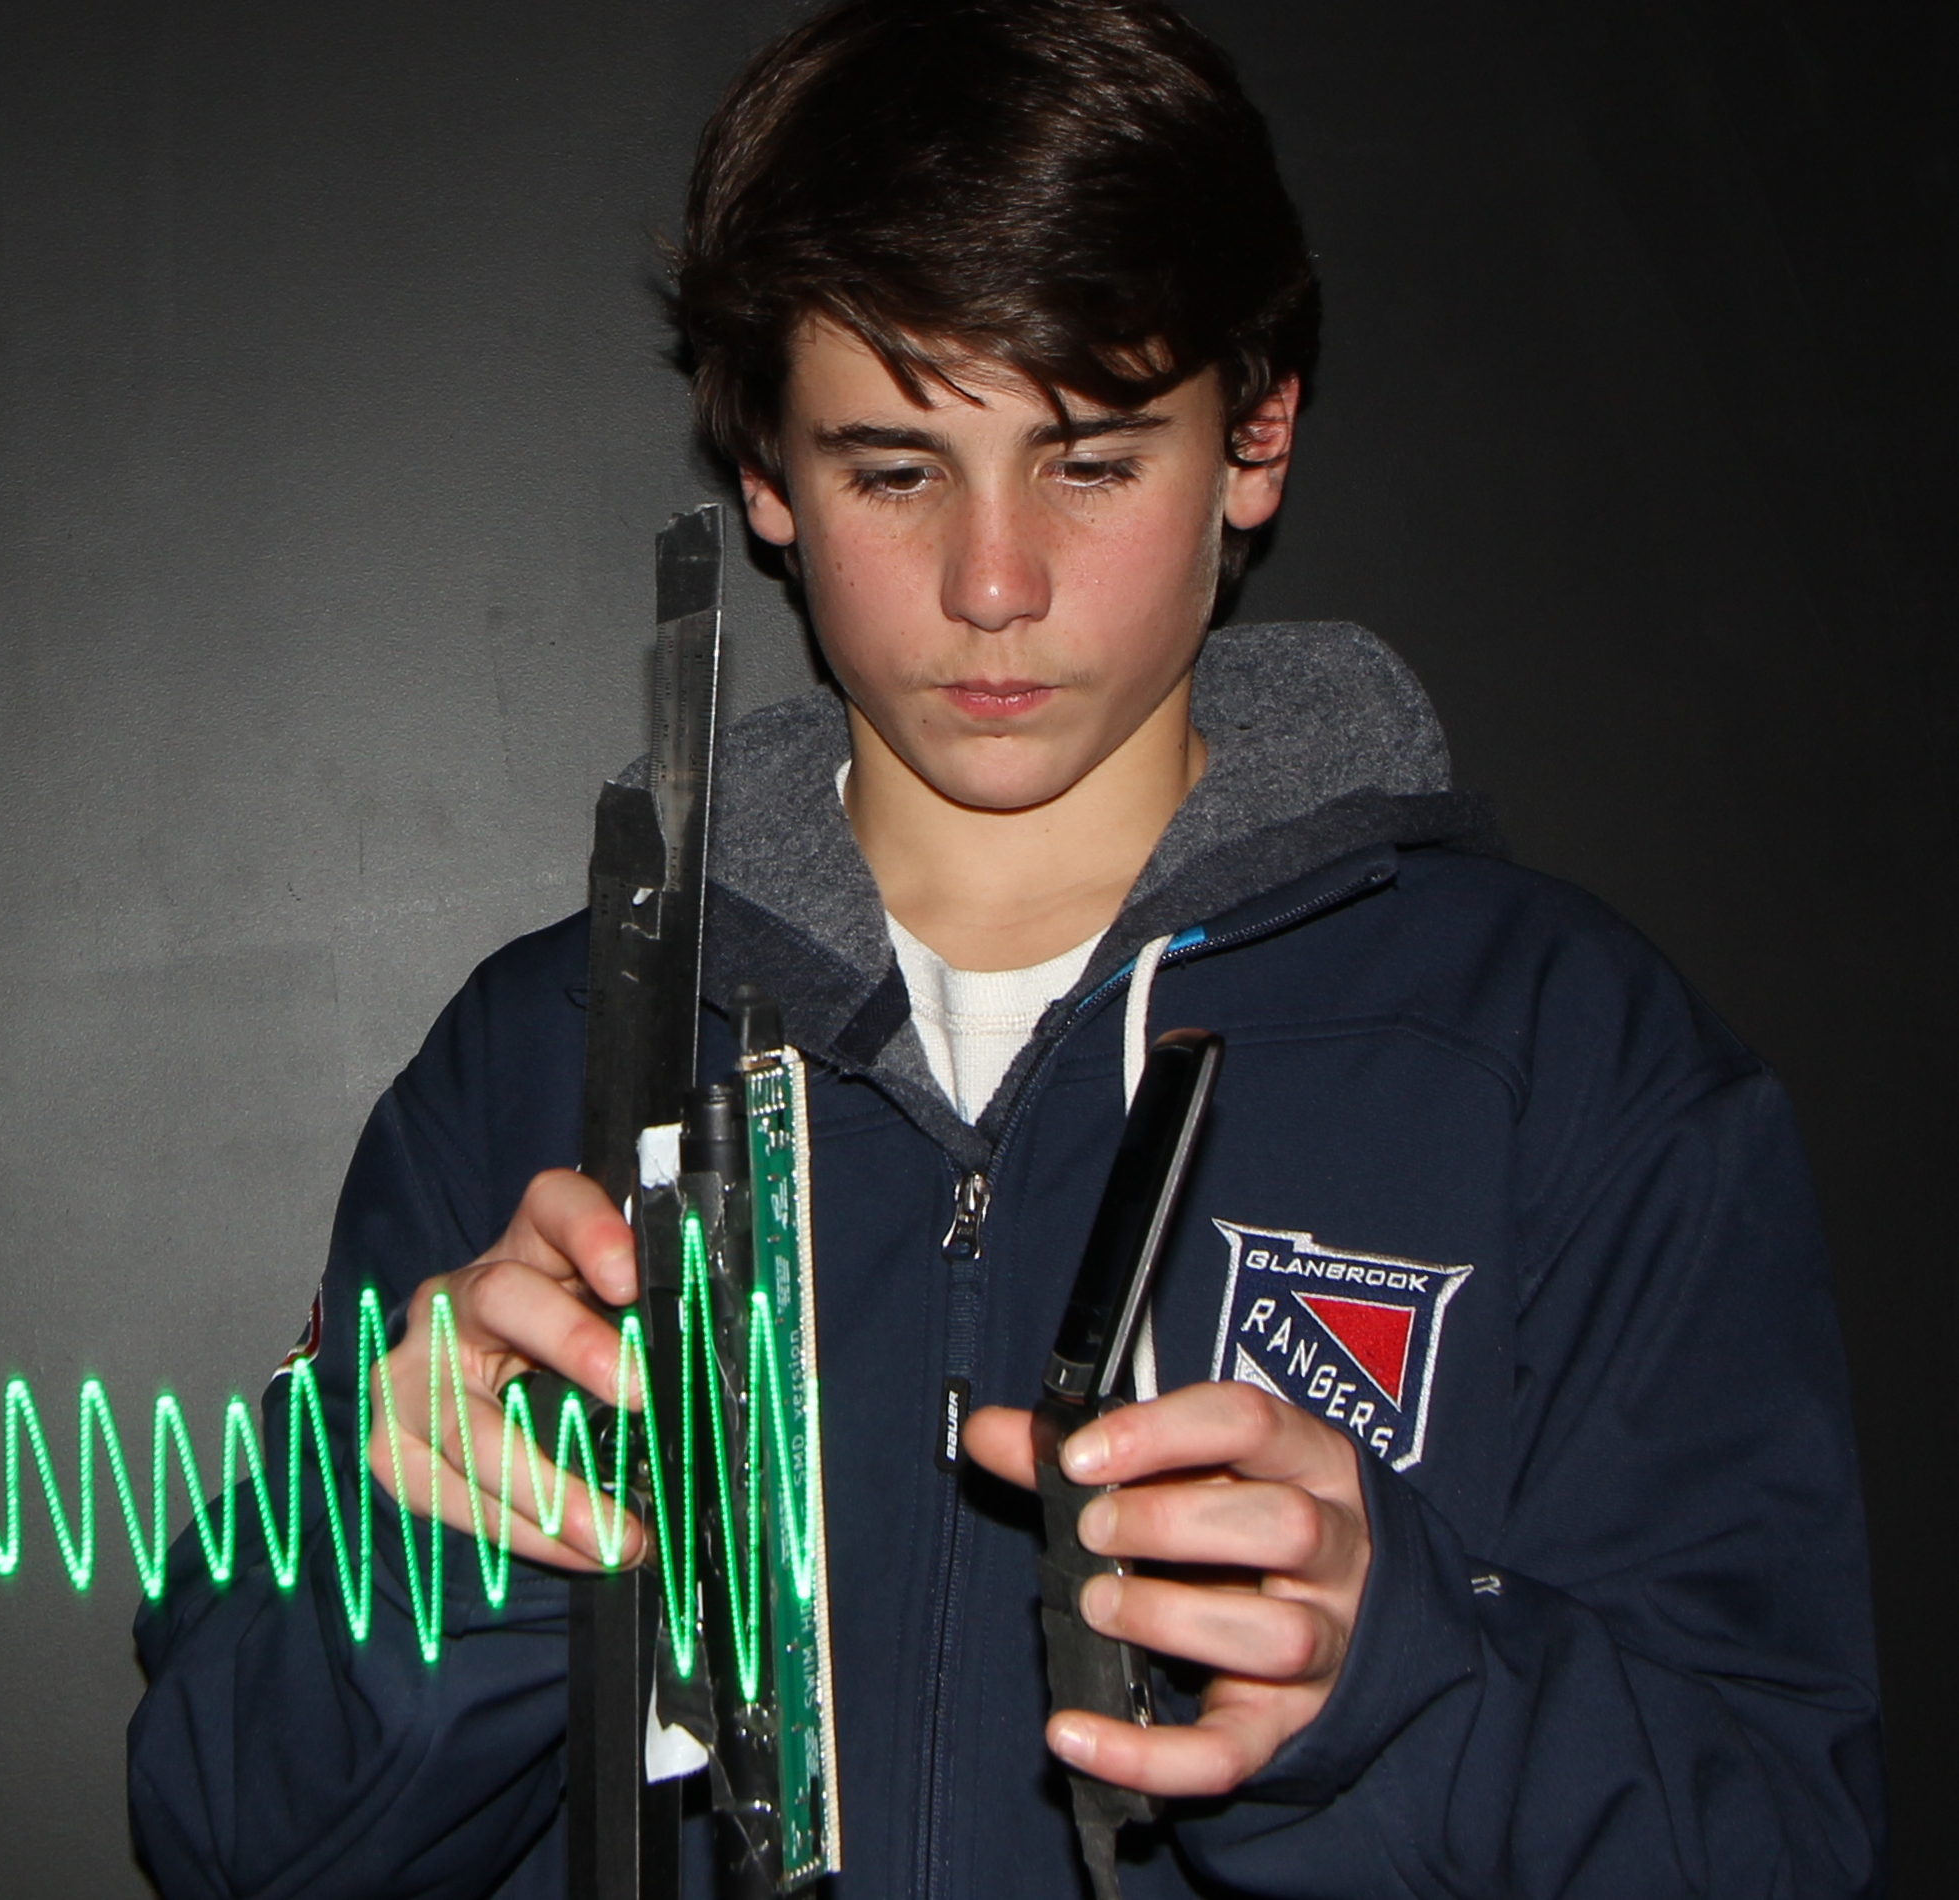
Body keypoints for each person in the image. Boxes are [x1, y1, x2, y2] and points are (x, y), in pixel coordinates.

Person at [125, 1, 1886, 1893]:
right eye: (894, 470)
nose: (992, 583)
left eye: (1089, 461)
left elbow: (1776, 1836)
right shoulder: (544, 1050)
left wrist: (1390, 1683)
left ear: (1255, 440)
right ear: (765, 475)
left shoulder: (1556, 1054)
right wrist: (438, 1544)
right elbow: (234, 1840)